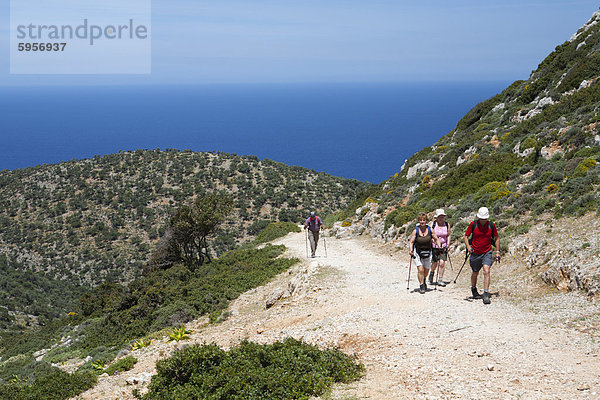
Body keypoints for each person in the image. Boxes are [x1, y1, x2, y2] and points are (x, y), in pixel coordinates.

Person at [463, 207, 500, 304]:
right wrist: (468, 247)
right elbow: (466, 236)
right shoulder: (473, 224)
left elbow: (496, 238)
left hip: (487, 252)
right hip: (475, 253)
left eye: (485, 219)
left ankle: (486, 293)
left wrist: (497, 251)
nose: (483, 221)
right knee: (475, 272)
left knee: (486, 270)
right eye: (482, 219)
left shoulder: (491, 225)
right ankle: (474, 289)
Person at [409, 213, 441, 294]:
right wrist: (411, 250)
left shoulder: (430, 230)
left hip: (428, 251)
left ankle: (423, 279)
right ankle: (421, 285)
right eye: (420, 220)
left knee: (426, 270)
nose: (422, 221)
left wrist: (439, 247)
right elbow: (411, 242)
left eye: (424, 220)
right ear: (418, 221)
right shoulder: (415, 231)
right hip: (418, 252)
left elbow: (436, 239)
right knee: (420, 269)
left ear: (426, 221)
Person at [429, 209, 451, 287]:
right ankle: (432, 273)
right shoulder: (433, 224)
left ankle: (440, 279)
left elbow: (448, 235)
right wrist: (433, 241)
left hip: (444, 246)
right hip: (435, 246)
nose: (441, 218)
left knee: (442, 263)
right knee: (435, 263)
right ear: (436, 217)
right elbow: (430, 235)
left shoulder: (447, 224)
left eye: (442, 216)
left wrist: (448, 245)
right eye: (439, 217)